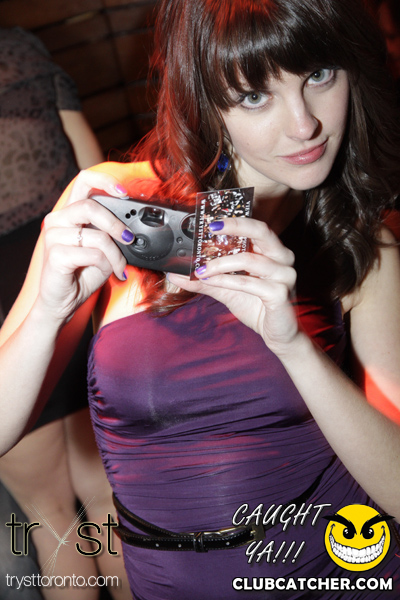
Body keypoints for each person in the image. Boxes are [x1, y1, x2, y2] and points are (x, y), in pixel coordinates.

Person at [0, 1, 400, 598]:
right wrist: (48, 314)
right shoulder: (121, 204)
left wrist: (294, 347)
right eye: (255, 96)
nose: (304, 125)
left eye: (318, 75)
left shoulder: (361, 245)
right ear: (203, 99)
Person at [0, 27, 129, 600]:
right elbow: (95, 178)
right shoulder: (18, 48)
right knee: (107, 501)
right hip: (63, 274)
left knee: (47, 516)